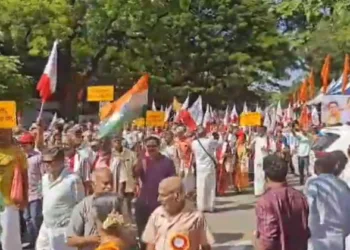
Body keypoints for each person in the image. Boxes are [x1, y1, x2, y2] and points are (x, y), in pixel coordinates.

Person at [142, 176, 215, 250]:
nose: (158, 199)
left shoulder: (196, 217)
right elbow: (150, 244)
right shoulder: (156, 214)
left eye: (163, 195)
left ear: (176, 196)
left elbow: (205, 245)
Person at [254, 154, 309, 250]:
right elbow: (306, 230)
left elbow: (267, 242)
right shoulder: (299, 196)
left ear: (266, 176)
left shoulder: (266, 201)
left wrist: (255, 241)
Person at [36, 147, 85, 250]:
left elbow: (81, 205)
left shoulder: (73, 180)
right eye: (44, 161)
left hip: (64, 230)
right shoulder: (44, 179)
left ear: (61, 161)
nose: (46, 164)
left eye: (50, 161)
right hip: (46, 226)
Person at [133, 136, 176, 250]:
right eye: (148, 146)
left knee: (161, 232)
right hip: (144, 202)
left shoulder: (167, 162)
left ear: (159, 147)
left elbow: (172, 181)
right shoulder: (143, 161)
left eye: (153, 146)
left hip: (161, 202)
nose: (151, 148)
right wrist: (140, 157)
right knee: (143, 232)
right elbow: (135, 174)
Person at [66, 168, 126, 250]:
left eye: (111, 183)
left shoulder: (117, 203)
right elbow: (70, 240)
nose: (109, 187)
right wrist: (90, 239)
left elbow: (129, 233)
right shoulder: (83, 206)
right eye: (105, 183)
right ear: (93, 184)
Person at [305, 156, 350, 250]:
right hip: (339, 233)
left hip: (320, 233)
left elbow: (310, 206)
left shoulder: (314, 184)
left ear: (317, 169)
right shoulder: (342, 185)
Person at [0, 128, 28, 250]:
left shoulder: (18, 153)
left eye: (3, 131)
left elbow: (24, 177)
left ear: (9, 132)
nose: (1, 134)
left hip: (9, 205)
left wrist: (25, 198)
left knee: (8, 242)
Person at [19, 132, 45, 248]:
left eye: (25, 144)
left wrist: (42, 192)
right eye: (22, 144)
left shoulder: (38, 157)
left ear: (31, 144)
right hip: (24, 194)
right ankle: (32, 240)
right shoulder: (20, 158)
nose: (23, 146)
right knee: (27, 219)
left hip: (36, 194)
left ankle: (38, 240)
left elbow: (43, 174)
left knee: (35, 218)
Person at [191, 126, 218, 212]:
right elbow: (219, 142)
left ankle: (201, 207)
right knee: (210, 187)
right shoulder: (209, 141)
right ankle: (210, 206)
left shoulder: (194, 143)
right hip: (209, 166)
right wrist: (213, 135)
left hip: (200, 167)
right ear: (205, 133)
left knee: (201, 187)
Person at [252, 126, 276, 196]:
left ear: (264, 131)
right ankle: (259, 191)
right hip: (258, 160)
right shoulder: (255, 139)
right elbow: (250, 147)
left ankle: (267, 191)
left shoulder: (269, 139)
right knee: (258, 175)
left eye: (260, 130)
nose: (259, 131)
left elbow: (273, 149)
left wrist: (267, 150)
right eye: (258, 130)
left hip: (267, 159)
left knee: (267, 176)